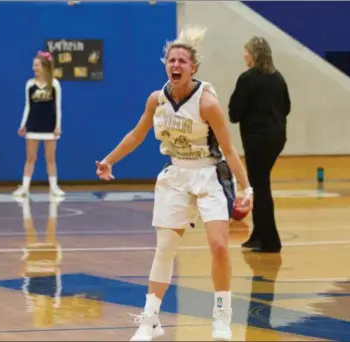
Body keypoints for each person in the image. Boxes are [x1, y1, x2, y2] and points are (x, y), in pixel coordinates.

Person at [96, 26, 253, 342]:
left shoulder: (207, 103)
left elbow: (229, 148)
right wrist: (110, 159)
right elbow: (137, 135)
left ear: (194, 67)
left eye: (182, 60)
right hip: (177, 174)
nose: (176, 65)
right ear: (165, 65)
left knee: (219, 246)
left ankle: (221, 315)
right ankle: (150, 320)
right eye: (171, 60)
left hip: (211, 174)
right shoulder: (156, 100)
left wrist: (246, 187)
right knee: (165, 249)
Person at [228, 36, 291, 253]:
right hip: (277, 138)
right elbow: (287, 108)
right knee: (258, 185)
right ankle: (258, 235)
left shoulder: (247, 78)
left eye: (246, 51)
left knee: (260, 188)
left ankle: (271, 241)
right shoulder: (278, 77)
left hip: (257, 140)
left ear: (253, 54)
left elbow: (234, 113)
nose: (244, 55)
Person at [13, 51, 65, 197]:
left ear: (44, 66)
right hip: (34, 125)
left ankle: (54, 187)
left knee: (50, 158)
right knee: (30, 158)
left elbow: (58, 107)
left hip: (50, 126)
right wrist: (23, 124)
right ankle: (24, 187)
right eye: (33, 65)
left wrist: (58, 126)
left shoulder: (54, 84)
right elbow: (27, 106)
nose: (33, 68)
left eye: (36, 65)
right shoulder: (29, 84)